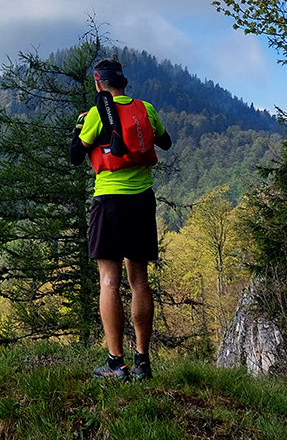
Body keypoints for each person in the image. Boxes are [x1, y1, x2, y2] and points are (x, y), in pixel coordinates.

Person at [70, 57, 172, 381]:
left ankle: (116, 363)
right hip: (142, 201)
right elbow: (165, 142)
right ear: (124, 83)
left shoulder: (96, 114)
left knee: (109, 281)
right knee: (139, 280)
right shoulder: (146, 108)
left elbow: (75, 155)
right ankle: (143, 361)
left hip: (109, 202)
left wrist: (80, 126)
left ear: (98, 84)